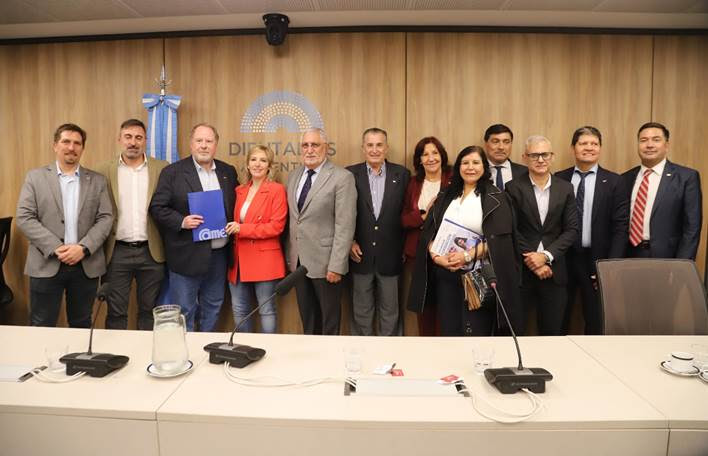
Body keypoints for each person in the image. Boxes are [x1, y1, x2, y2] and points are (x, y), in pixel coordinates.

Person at [408, 146, 522, 336]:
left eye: (476, 163)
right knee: (449, 330)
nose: (470, 167)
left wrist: (466, 256)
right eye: (465, 163)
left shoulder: (496, 198)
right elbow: (428, 233)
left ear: (484, 167)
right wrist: (437, 258)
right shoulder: (446, 195)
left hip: (477, 275)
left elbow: (499, 242)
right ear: (458, 167)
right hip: (446, 274)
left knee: (474, 331)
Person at [16, 123, 113, 327]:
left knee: (81, 323)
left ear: (82, 148)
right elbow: (24, 217)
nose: (71, 147)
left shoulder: (98, 181)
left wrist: (83, 248)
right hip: (46, 262)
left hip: (85, 264)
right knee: (41, 323)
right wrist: (56, 247)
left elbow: (106, 218)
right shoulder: (35, 177)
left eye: (77, 143)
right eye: (66, 141)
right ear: (55, 145)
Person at [149, 123, 238, 331]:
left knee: (213, 306)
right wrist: (182, 221)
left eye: (209, 141)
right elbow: (157, 207)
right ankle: (187, 348)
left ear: (216, 145)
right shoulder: (172, 172)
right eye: (199, 141)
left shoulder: (228, 172)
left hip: (219, 255)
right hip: (186, 255)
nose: (204, 145)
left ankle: (205, 347)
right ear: (191, 144)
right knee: (185, 310)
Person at [95, 119, 168, 330]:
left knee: (149, 311)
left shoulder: (162, 168)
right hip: (117, 252)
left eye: (138, 137)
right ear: (119, 139)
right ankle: (116, 351)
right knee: (116, 312)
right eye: (128, 137)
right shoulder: (102, 170)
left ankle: (145, 350)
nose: (133, 142)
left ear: (145, 140)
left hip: (152, 252)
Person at [556, 126, 628, 335]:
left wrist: (609, 266)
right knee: (558, 317)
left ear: (600, 148)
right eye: (583, 143)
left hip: (597, 260)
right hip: (564, 259)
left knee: (595, 320)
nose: (589, 148)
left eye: (594, 144)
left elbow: (621, 227)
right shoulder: (559, 178)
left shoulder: (615, 181)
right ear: (573, 148)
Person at [285, 127, 356, 335]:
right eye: (305, 145)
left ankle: (329, 357)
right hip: (299, 263)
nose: (309, 150)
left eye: (315, 145)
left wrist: (336, 265)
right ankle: (311, 356)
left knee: (329, 323)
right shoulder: (294, 176)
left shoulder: (342, 177)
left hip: (326, 265)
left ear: (326, 147)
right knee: (308, 321)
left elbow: (345, 225)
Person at [506, 135, 578, 336]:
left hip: (554, 271)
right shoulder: (513, 188)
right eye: (534, 155)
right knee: (515, 332)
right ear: (525, 157)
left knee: (552, 333)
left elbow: (571, 229)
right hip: (521, 271)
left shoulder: (565, 188)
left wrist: (545, 256)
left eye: (545, 154)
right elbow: (512, 228)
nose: (540, 159)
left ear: (552, 157)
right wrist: (533, 261)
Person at [347, 128, 410, 336]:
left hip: (391, 255)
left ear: (386, 148)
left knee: (390, 312)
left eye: (379, 145)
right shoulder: (349, 174)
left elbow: (405, 212)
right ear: (363, 148)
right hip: (359, 255)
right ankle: (361, 351)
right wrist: (350, 241)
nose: (374, 149)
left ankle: (390, 352)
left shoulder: (402, 174)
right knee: (361, 312)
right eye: (370, 145)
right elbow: (342, 213)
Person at [225, 145, 287, 333]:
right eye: (253, 160)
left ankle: (268, 349)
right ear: (247, 164)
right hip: (238, 259)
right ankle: (244, 347)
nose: (257, 164)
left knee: (266, 311)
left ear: (269, 166)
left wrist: (242, 228)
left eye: (263, 160)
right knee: (239, 310)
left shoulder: (277, 190)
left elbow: (276, 227)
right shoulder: (239, 190)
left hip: (264, 258)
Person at [621, 122, 702, 259]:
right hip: (628, 255)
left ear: (666, 145)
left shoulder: (686, 177)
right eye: (643, 140)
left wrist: (682, 264)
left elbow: (692, 227)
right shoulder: (625, 178)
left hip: (667, 257)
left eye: (656, 140)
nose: (649, 145)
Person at [401, 137, 453, 336]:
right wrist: (424, 216)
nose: (431, 158)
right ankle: (426, 344)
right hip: (419, 253)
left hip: (449, 251)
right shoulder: (413, 183)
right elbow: (404, 219)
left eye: (435, 153)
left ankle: (446, 347)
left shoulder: (454, 179)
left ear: (442, 156)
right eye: (425, 154)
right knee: (424, 305)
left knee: (447, 303)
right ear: (419, 160)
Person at [483, 124, 527, 191]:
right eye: (495, 142)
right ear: (486, 144)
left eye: (506, 142)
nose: (501, 147)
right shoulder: (476, 171)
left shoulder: (525, 172)